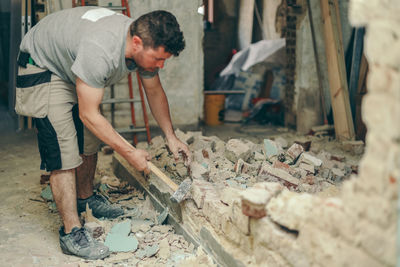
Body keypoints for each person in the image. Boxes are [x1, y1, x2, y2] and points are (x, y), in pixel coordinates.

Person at [15, 6, 191, 260]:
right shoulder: (100, 49)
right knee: (63, 149)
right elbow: (89, 114)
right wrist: (130, 153)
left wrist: (171, 137)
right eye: (158, 59)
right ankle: (71, 232)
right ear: (137, 43)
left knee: (90, 138)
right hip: (43, 64)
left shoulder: (142, 42)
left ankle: (85, 198)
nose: (160, 66)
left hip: (71, 60)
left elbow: (153, 91)